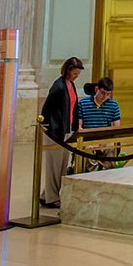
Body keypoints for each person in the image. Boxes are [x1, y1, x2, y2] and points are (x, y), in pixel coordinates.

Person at [38, 57, 84, 209]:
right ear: (68, 70)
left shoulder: (71, 85)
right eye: (75, 73)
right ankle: (52, 198)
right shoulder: (58, 86)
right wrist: (50, 128)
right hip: (55, 131)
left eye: (78, 74)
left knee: (62, 165)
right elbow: (47, 110)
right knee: (54, 165)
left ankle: (48, 194)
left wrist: (75, 127)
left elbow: (74, 107)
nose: (76, 76)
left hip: (66, 129)